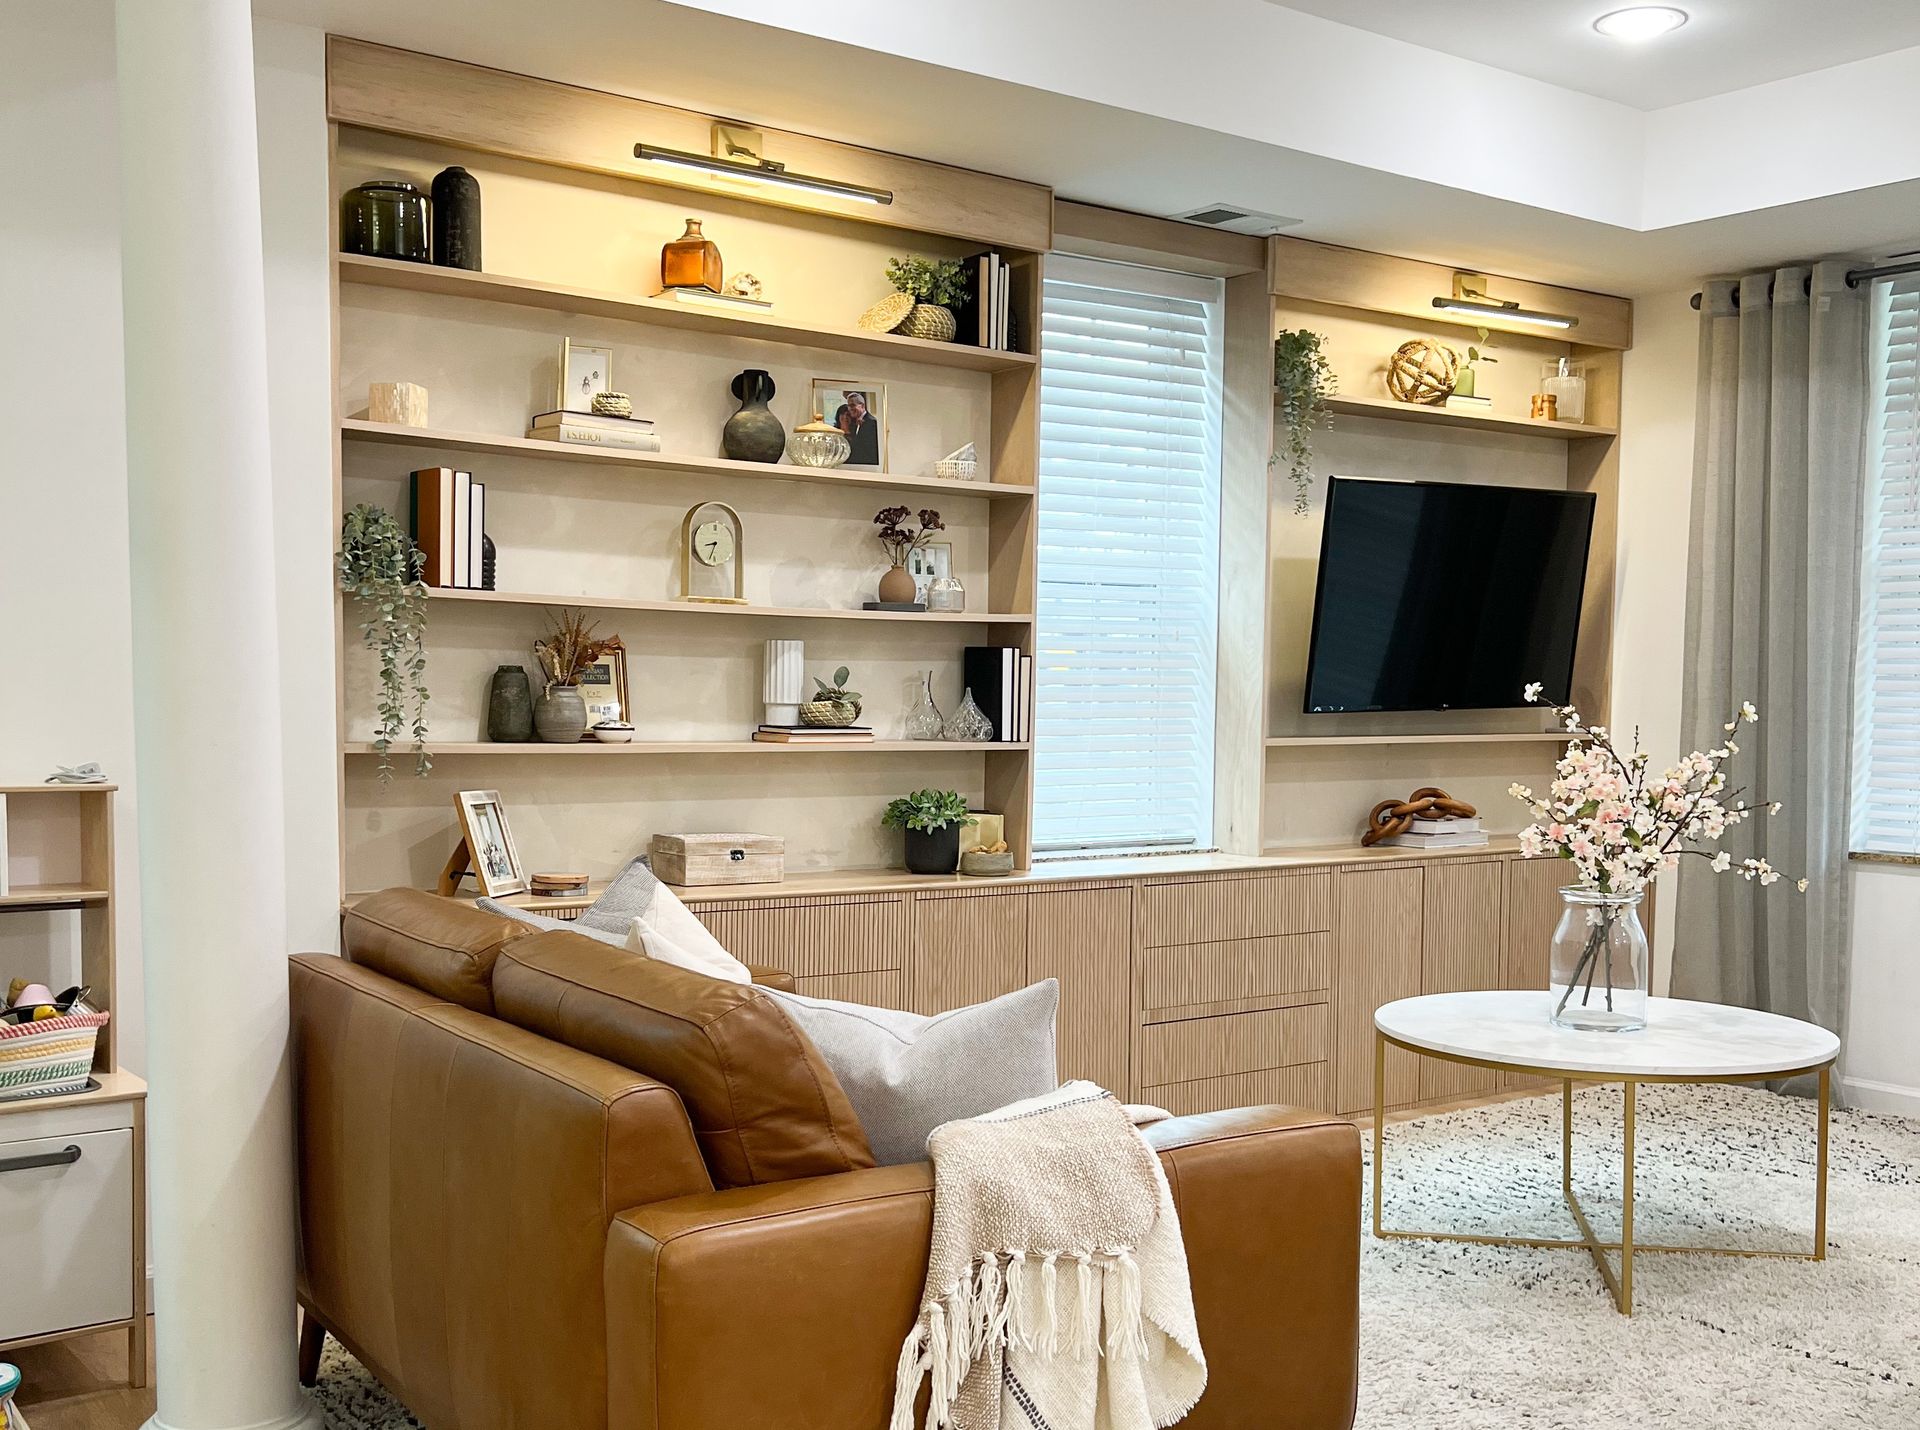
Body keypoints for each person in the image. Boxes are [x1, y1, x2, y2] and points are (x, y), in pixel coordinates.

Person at [833, 390, 881, 465]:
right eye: (849, 406)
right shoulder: (857, 424)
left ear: (862, 406)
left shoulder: (871, 422)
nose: (850, 408)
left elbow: (871, 451)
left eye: (852, 405)